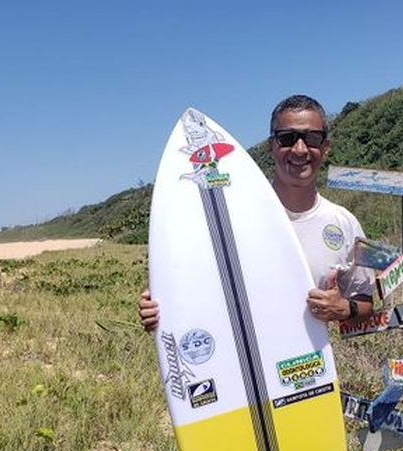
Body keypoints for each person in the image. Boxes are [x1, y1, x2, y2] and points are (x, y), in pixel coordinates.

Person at [138, 94, 374, 331]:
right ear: (272, 146)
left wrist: (345, 308)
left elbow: (366, 303)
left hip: (307, 365)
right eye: (287, 138)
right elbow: (193, 285)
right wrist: (162, 311)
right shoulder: (232, 215)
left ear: (325, 148)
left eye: (312, 138)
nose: (300, 149)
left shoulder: (345, 223)